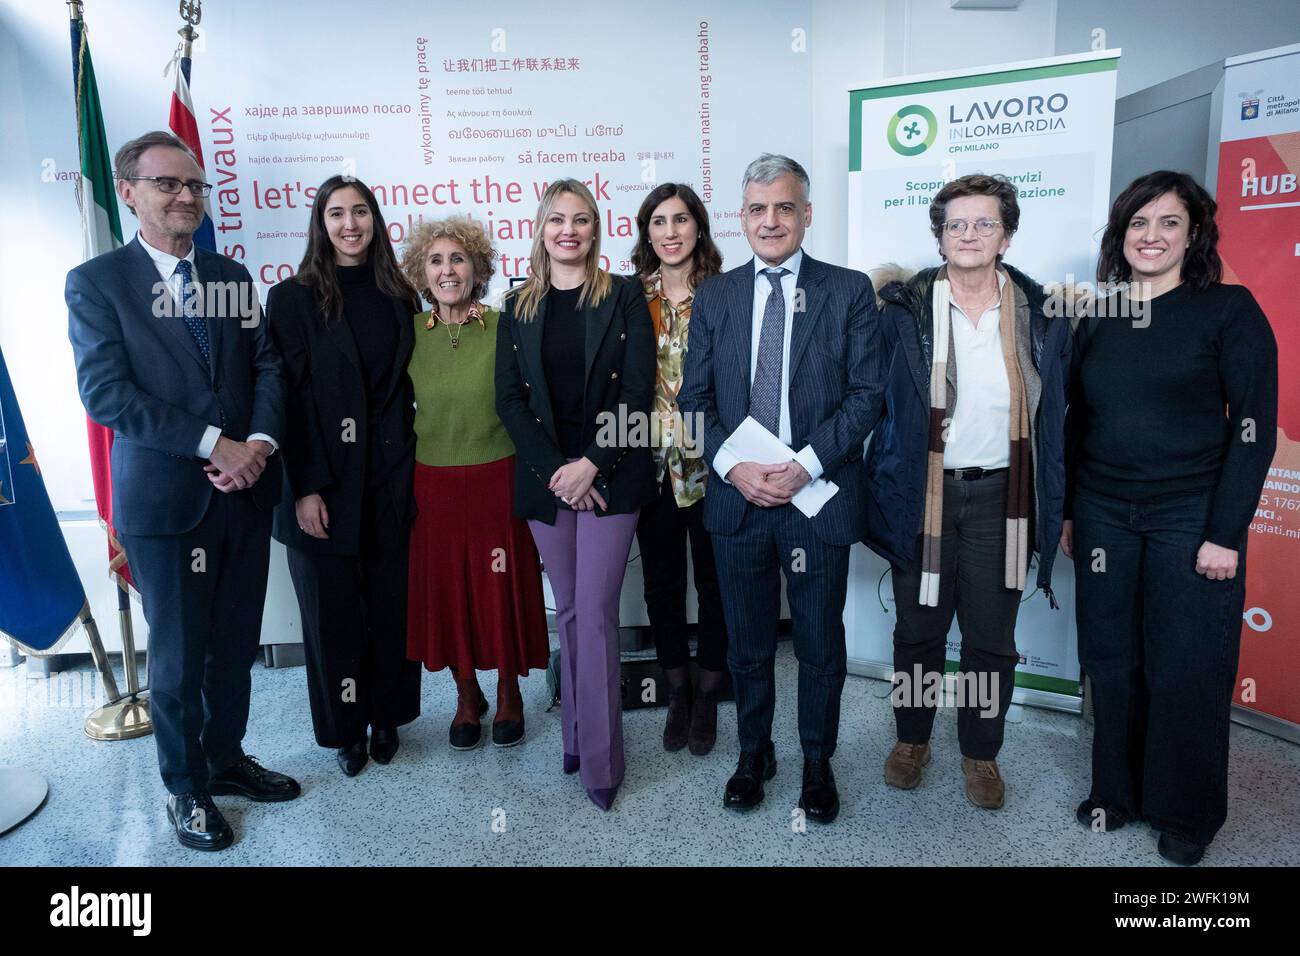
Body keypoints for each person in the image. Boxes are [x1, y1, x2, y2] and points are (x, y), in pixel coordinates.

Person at [66, 130, 298, 851]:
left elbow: (268, 368)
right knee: (176, 658)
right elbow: (107, 394)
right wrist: (212, 444)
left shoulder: (230, 275)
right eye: (168, 184)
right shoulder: (98, 284)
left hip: (245, 494)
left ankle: (226, 761)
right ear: (129, 191)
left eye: (195, 185)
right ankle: (185, 787)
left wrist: (256, 446)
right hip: (167, 506)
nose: (187, 197)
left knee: (233, 646)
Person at [1063, 170, 1277, 865]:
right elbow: (1074, 420)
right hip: (1103, 513)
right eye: (1138, 224)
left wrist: (1225, 532)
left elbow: (1253, 426)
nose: (1151, 237)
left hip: (1191, 513)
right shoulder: (1098, 315)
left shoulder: (1229, 310)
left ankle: (1185, 814)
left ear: (1194, 235)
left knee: (1186, 664)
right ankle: (1114, 794)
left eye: (1169, 224)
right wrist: (1069, 512)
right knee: (1112, 662)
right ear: (1119, 237)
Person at [678, 154, 884, 824]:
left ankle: (817, 762)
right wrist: (735, 467)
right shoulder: (717, 296)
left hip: (815, 502)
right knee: (747, 644)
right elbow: (693, 402)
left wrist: (807, 465)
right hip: (739, 502)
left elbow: (867, 396)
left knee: (821, 644)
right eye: (758, 209)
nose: (771, 220)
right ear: (742, 219)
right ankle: (754, 753)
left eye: (785, 207)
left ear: (807, 214)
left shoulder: (848, 291)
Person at [863, 173, 1071, 810]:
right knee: (918, 634)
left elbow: (1062, 414)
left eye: (985, 223)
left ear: (1006, 235)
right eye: (957, 223)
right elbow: (868, 401)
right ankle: (911, 740)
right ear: (940, 234)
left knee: (990, 637)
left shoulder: (1042, 315)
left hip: (1004, 502)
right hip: (921, 497)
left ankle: (981, 753)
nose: (970, 234)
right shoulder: (903, 312)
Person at [495, 179, 656, 811]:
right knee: (566, 612)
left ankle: (601, 762)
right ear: (540, 228)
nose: (569, 230)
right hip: (547, 480)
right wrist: (559, 472)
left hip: (611, 475)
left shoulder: (622, 295)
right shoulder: (517, 306)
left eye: (582, 220)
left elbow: (636, 393)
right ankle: (574, 734)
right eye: (557, 219)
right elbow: (509, 401)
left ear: (596, 229)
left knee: (592, 613)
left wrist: (591, 464)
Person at [267, 175, 423, 777]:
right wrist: (305, 486)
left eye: (361, 212)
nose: (350, 224)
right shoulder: (291, 299)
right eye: (337, 213)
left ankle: (386, 717)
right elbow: (288, 401)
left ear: (376, 221)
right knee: (332, 620)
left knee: (390, 607)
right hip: (321, 485)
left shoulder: (400, 293)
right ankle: (347, 729)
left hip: (388, 478)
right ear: (321, 223)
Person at [400, 216, 549, 750]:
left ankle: (509, 690)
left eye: (457, 259)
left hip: (499, 479)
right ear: (421, 271)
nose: (447, 270)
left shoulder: (505, 326)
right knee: (450, 591)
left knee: (499, 588)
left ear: (478, 269)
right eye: (436, 261)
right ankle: (467, 695)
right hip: (432, 485)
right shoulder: (410, 333)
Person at [630, 183, 727, 755]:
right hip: (649, 466)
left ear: (698, 228)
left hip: (715, 466)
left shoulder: (725, 294)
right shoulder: (628, 297)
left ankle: (710, 692)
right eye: (659, 221)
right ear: (647, 232)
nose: (670, 232)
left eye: (681, 220)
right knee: (663, 584)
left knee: (715, 583)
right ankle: (677, 692)